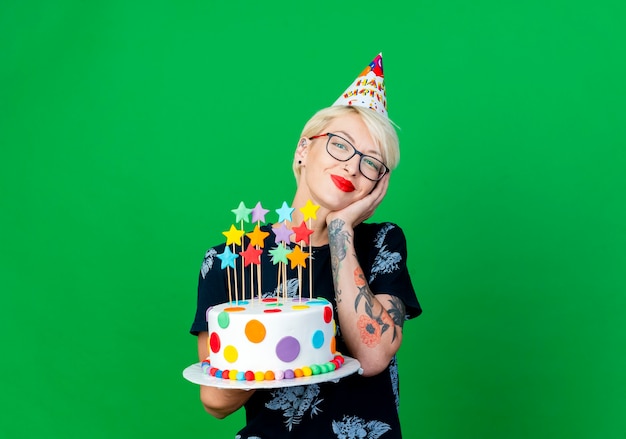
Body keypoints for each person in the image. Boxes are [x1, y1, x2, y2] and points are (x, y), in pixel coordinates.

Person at [190, 53, 422, 438]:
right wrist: (273, 342)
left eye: (371, 163)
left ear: (377, 186)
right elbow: (215, 402)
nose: (351, 167)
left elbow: (372, 354)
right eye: (340, 145)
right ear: (304, 149)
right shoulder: (228, 262)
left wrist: (341, 228)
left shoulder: (382, 243)